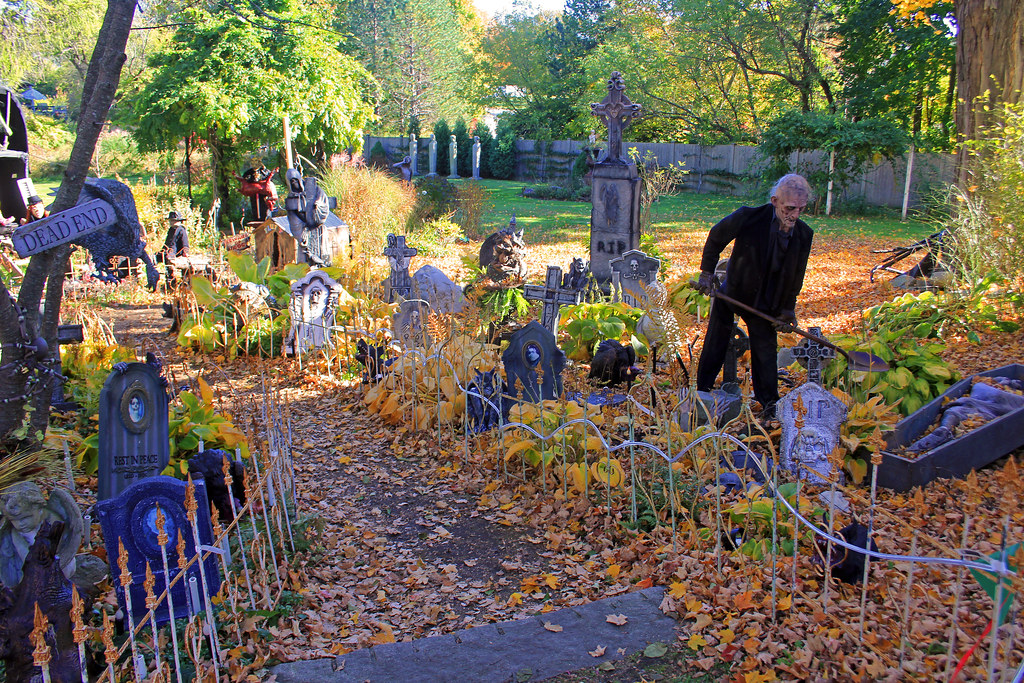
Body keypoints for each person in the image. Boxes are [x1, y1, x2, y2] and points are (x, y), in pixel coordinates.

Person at [694, 174, 814, 418]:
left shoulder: (803, 234)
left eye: (801, 209)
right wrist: (706, 272)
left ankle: (769, 404)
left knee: (765, 350)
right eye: (789, 208)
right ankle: (702, 390)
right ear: (774, 201)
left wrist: (788, 310)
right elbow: (716, 236)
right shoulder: (749, 217)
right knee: (716, 339)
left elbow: (796, 276)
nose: (794, 215)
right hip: (734, 292)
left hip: (766, 303)